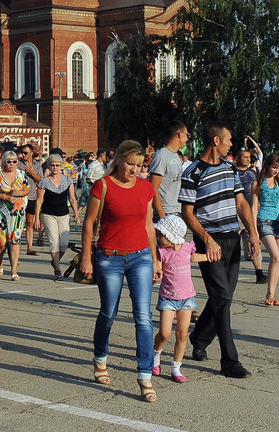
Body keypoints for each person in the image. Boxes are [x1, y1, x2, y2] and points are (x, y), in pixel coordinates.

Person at [80, 140, 161, 403]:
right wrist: (86, 258)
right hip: (109, 257)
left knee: (143, 316)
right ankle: (100, 358)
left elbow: (149, 225)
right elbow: (89, 223)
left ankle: (144, 374)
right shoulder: (102, 186)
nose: (135, 169)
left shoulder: (146, 188)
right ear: (118, 161)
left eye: (140, 165)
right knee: (108, 313)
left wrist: (156, 258)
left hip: (141, 257)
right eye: (130, 164)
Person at [180, 122, 259, 378]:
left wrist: (253, 233)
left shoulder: (229, 168)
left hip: (232, 240)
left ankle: (199, 338)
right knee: (222, 297)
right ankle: (229, 361)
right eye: (229, 140)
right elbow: (187, 214)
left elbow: (241, 203)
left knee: (223, 298)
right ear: (216, 141)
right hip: (209, 242)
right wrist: (207, 239)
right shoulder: (192, 172)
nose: (231, 144)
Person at [151, 214, 206, 383]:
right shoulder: (161, 252)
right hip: (168, 298)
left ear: (171, 235)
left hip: (187, 299)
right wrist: (154, 277)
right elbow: (157, 269)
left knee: (182, 334)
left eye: (161, 235)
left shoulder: (187, 247)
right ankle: (156, 355)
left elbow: (193, 257)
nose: (158, 238)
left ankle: (176, 367)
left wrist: (209, 256)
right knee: (165, 332)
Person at [249, 153, 279, 306]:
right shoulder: (258, 183)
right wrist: (253, 230)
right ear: (266, 165)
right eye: (274, 167)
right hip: (264, 221)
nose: (276, 170)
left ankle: (271, 294)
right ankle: (269, 293)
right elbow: (254, 208)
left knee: (277, 259)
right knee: (276, 256)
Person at [32, 153, 79, 280]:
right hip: (48, 215)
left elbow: (73, 199)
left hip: (63, 214)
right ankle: (57, 270)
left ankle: (55, 261)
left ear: (61, 166)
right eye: (52, 165)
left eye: (57, 165)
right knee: (54, 242)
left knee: (64, 244)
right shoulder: (44, 182)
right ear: (49, 166)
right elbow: (39, 201)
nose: (55, 168)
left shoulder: (68, 180)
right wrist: (37, 218)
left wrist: (76, 214)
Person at [0, 150, 29, 280]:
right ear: (4, 162)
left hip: (17, 212)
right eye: (9, 161)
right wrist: (4, 197)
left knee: (15, 240)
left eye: (14, 161)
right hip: (1, 211)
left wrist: (19, 194)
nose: (11, 164)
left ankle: (14, 271)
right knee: (1, 242)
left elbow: (27, 189)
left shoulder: (22, 175)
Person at [235, 145, 266, 284]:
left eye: (249, 157)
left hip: (249, 212)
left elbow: (256, 190)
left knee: (253, 240)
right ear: (237, 158)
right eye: (245, 157)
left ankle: (259, 272)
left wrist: (257, 201)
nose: (248, 160)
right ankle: (231, 271)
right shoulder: (232, 172)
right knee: (232, 244)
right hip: (234, 211)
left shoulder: (252, 173)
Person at [149, 121, 190, 220]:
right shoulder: (161, 156)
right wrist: (163, 217)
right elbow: (153, 188)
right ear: (179, 134)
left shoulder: (175, 155)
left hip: (177, 211)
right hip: (166, 212)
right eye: (186, 134)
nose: (188, 139)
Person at [17, 144, 43, 255]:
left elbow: (41, 181)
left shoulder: (37, 165)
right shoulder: (18, 164)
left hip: (32, 196)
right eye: (22, 152)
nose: (23, 155)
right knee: (19, 223)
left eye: (25, 153)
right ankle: (15, 246)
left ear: (31, 153)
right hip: (21, 197)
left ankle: (29, 248)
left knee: (29, 223)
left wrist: (32, 173)